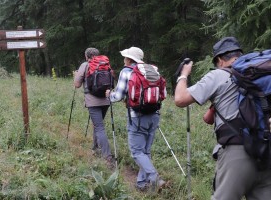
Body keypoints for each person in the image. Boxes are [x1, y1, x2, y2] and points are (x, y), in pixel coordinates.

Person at [174, 36, 271, 199]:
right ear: (239, 54)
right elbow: (208, 118)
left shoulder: (218, 76)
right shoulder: (256, 76)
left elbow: (180, 99)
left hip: (237, 154)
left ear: (219, 59)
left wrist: (183, 75)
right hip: (266, 151)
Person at [106, 46, 166, 192]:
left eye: (125, 57)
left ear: (129, 59)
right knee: (145, 151)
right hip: (154, 115)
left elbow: (118, 96)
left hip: (137, 117)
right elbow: (163, 93)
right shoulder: (152, 70)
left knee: (136, 152)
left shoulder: (126, 72)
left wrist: (109, 94)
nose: (123, 59)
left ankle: (154, 178)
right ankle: (141, 183)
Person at [74, 47, 115, 168]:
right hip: (106, 100)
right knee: (98, 124)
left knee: (99, 127)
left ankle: (107, 157)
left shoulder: (85, 65)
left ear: (87, 56)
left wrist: (76, 75)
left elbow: (77, 84)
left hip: (92, 101)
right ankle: (95, 147)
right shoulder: (105, 64)